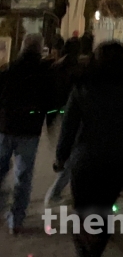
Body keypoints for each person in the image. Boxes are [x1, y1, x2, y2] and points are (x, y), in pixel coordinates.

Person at [55, 41, 123, 257]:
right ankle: (96, 249)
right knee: (103, 208)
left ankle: (84, 250)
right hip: (118, 156)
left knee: (82, 209)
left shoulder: (83, 84)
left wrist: (61, 157)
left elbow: (69, 125)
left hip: (85, 156)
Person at [0, 34, 55, 234]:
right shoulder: (45, 73)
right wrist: (50, 125)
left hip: (5, 128)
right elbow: (50, 103)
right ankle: (16, 219)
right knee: (23, 175)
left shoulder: (9, 69)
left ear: (22, 47)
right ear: (40, 49)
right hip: (29, 131)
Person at [44, 37, 84, 208]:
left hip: (57, 112)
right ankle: (55, 193)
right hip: (74, 115)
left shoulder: (55, 67)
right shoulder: (80, 69)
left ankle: (60, 188)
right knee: (72, 156)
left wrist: (49, 118)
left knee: (67, 152)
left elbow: (49, 93)